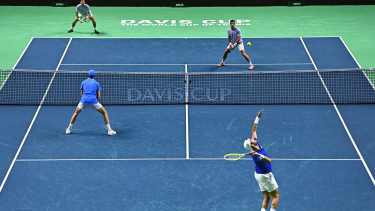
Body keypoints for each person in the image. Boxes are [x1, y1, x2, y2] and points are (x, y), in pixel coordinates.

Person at [245, 111, 280, 211]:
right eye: (251, 140)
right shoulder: (258, 155)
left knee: (266, 196)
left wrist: (257, 118)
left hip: (258, 175)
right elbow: (270, 160)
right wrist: (260, 155)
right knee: (276, 196)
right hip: (265, 175)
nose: (253, 138)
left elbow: (254, 129)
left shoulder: (254, 144)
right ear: (251, 145)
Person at [65, 69, 116, 136]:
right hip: (93, 100)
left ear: (88, 75)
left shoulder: (83, 82)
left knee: (76, 113)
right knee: (104, 112)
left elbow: (82, 93)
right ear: (94, 75)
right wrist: (95, 103)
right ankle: (109, 130)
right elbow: (99, 96)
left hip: (84, 100)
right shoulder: (97, 83)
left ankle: (68, 129)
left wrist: (84, 101)